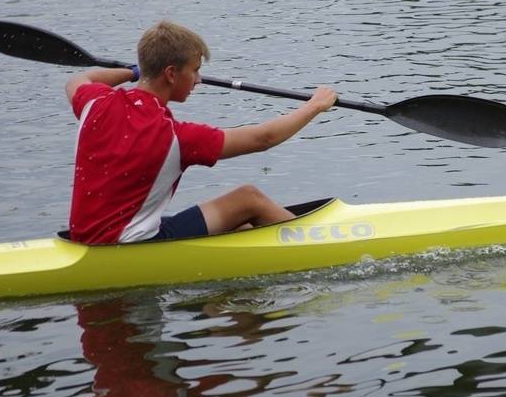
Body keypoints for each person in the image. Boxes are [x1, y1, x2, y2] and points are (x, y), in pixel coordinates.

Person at [64, 20, 337, 244]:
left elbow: (79, 79)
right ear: (171, 74)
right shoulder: (173, 137)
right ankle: (323, 250)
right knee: (248, 199)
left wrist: (133, 73)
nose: (198, 80)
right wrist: (314, 106)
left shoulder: (94, 103)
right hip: (128, 244)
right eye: (194, 71)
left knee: (240, 225)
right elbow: (262, 138)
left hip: (86, 237)